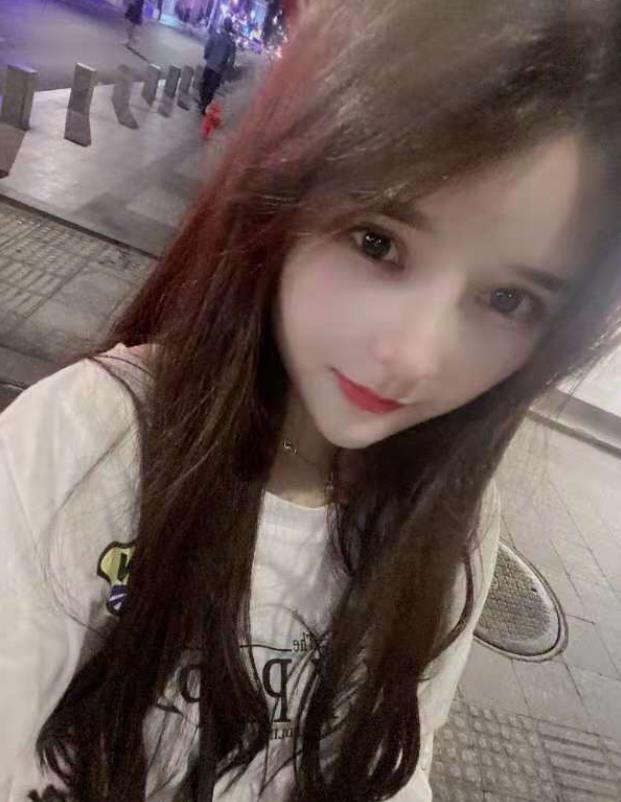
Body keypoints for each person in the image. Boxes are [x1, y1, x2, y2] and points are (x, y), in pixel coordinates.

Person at [2, 1, 621, 800]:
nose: (412, 355)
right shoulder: (87, 439)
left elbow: (399, 761)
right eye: (377, 242)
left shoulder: (454, 521)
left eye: (507, 301)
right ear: (287, 198)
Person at [199, 17, 236, 114]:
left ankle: (202, 102)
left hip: (209, 65)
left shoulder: (214, 35)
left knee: (204, 84)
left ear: (223, 26)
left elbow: (207, 47)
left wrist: (206, 56)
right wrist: (227, 70)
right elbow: (231, 60)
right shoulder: (231, 43)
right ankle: (205, 105)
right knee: (211, 89)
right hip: (219, 70)